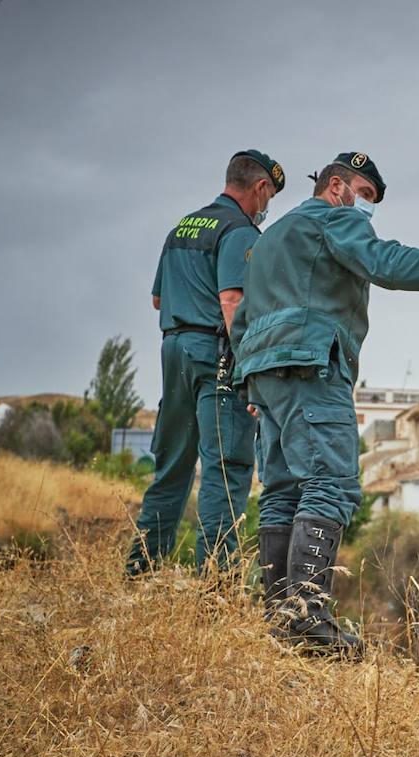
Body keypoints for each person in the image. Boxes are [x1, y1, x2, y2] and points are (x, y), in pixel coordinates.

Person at [231, 151, 419, 655]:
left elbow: (241, 317)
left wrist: (249, 381)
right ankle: (306, 620)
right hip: (312, 364)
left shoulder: (268, 238)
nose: (366, 208)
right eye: (365, 195)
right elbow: (385, 262)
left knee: (282, 490)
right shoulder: (332, 218)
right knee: (331, 483)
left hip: (264, 373)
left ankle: (278, 617)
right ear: (337, 186)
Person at [126, 149, 285, 576]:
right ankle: (215, 589)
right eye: (269, 197)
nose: (267, 207)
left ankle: (141, 571)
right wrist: (251, 368)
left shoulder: (183, 226)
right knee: (225, 469)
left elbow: (158, 298)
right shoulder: (240, 231)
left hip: (173, 350)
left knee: (172, 467)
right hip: (216, 355)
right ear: (260, 188)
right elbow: (232, 301)